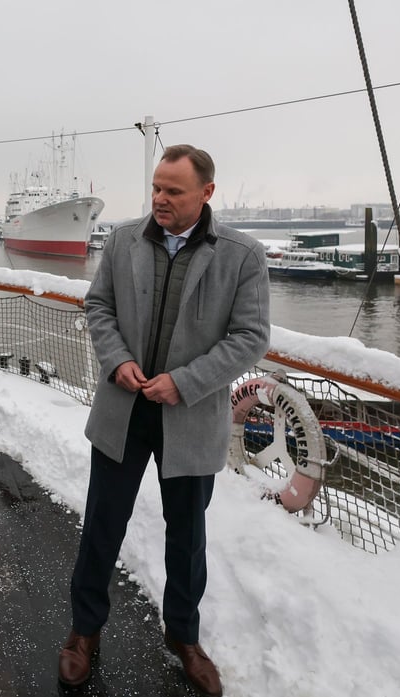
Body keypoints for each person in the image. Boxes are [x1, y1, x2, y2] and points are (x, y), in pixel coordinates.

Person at [57, 145, 270, 697]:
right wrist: (117, 360)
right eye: (156, 188)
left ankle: (185, 638)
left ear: (207, 193)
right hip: (122, 412)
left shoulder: (242, 256)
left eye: (174, 191)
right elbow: (98, 307)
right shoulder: (125, 238)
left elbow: (250, 337)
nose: (160, 199)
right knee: (102, 526)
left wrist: (186, 381)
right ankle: (84, 632)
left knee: (188, 536)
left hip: (190, 418)